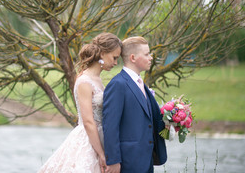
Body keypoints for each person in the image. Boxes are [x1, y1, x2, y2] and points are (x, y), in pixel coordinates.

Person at [38, 33, 122, 173]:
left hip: (102, 136)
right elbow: (88, 121)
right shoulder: (84, 81)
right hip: (89, 140)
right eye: (114, 57)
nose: (115, 63)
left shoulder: (98, 79)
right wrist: (101, 154)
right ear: (102, 53)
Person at [102, 36, 167, 173]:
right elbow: (110, 126)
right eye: (146, 54)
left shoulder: (140, 83)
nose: (151, 58)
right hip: (128, 162)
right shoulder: (118, 84)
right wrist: (113, 161)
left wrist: (172, 122)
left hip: (146, 160)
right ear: (133, 58)